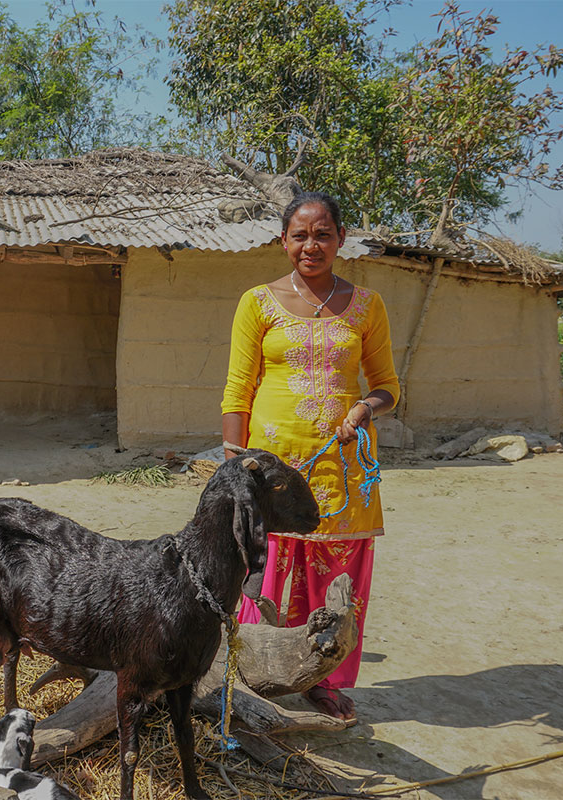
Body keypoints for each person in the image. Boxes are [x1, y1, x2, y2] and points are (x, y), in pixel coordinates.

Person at [220, 191, 399, 725]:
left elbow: (389, 387)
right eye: (300, 235)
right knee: (264, 570)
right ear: (283, 241)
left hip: (340, 473)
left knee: (335, 577)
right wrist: (235, 465)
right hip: (272, 471)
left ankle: (323, 680)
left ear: (342, 239)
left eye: (323, 234)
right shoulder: (258, 302)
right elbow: (236, 391)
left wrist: (365, 407)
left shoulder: (368, 306)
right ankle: (252, 673)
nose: (311, 245)